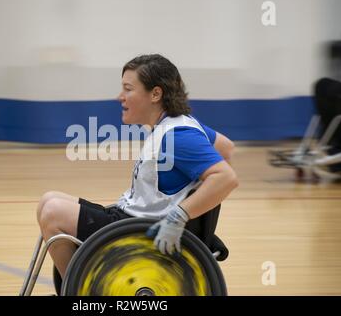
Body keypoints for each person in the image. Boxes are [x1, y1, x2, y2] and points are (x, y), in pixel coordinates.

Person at [37, 54, 238, 279]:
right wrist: (195, 201)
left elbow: (226, 178)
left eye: (128, 89)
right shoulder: (179, 123)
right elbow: (227, 148)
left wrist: (180, 216)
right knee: (48, 199)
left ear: (155, 94)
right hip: (132, 218)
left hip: (141, 231)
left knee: (53, 213)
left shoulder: (178, 136)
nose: (120, 97)